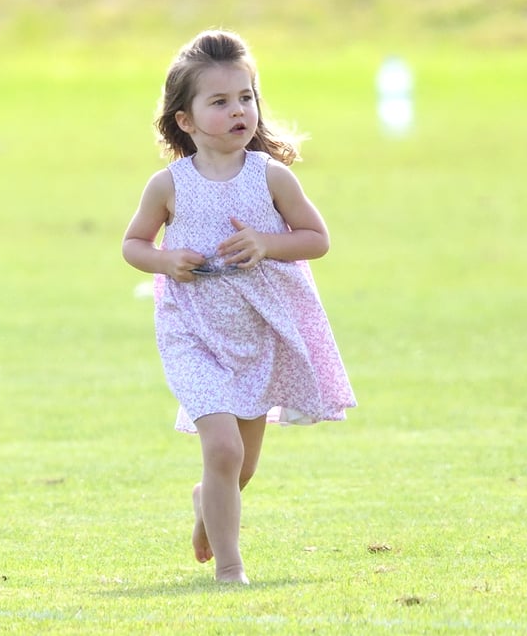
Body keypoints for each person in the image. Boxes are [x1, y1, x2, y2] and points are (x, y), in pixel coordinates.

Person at [122, 30, 356, 584]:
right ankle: (231, 570)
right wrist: (166, 260)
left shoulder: (271, 176)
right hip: (194, 335)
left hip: (258, 337)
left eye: (246, 97)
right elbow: (133, 245)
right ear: (185, 119)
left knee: (239, 466)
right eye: (220, 101)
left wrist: (266, 243)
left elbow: (316, 239)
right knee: (222, 448)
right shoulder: (167, 186)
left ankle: (208, 502)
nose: (238, 111)